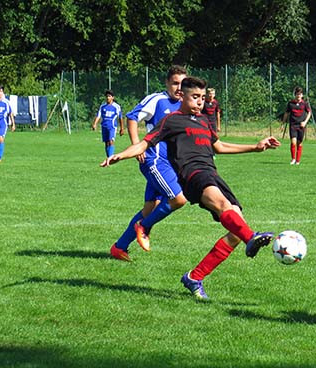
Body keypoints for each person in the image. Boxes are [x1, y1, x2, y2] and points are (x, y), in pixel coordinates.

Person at [101, 76, 280, 299]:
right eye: (195, 97)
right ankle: (251, 237)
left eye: (203, 98)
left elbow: (220, 146)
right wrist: (122, 154)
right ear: (182, 96)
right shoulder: (172, 121)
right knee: (225, 207)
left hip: (212, 174)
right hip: (192, 175)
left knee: (235, 227)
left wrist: (256, 147)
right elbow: (145, 143)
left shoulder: (205, 120)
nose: (200, 102)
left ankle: (195, 277)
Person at [109, 65, 189, 262]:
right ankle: (143, 227)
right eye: (175, 83)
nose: (179, 88)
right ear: (167, 83)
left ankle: (119, 247)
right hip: (154, 160)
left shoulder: (185, 104)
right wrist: (137, 145)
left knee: (150, 207)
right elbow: (132, 117)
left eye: (182, 84)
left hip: (169, 164)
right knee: (179, 198)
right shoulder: (158, 100)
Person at [281, 86, 311, 165]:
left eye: (300, 94)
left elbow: (309, 113)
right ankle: (293, 159)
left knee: (299, 143)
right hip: (293, 125)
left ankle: (298, 160)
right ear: (295, 95)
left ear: (302, 95)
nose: (298, 96)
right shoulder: (290, 103)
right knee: (293, 142)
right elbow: (286, 114)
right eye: (297, 94)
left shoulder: (304, 104)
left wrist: (305, 122)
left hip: (301, 126)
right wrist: (283, 123)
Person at [91, 90, 125, 157]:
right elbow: (98, 116)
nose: (108, 98)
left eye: (109, 96)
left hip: (112, 127)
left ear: (113, 97)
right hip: (104, 126)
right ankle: (108, 158)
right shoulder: (102, 106)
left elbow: (120, 117)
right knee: (106, 143)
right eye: (107, 96)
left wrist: (122, 128)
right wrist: (95, 124)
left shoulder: (116, 107)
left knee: (111, 141)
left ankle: (111, 158)